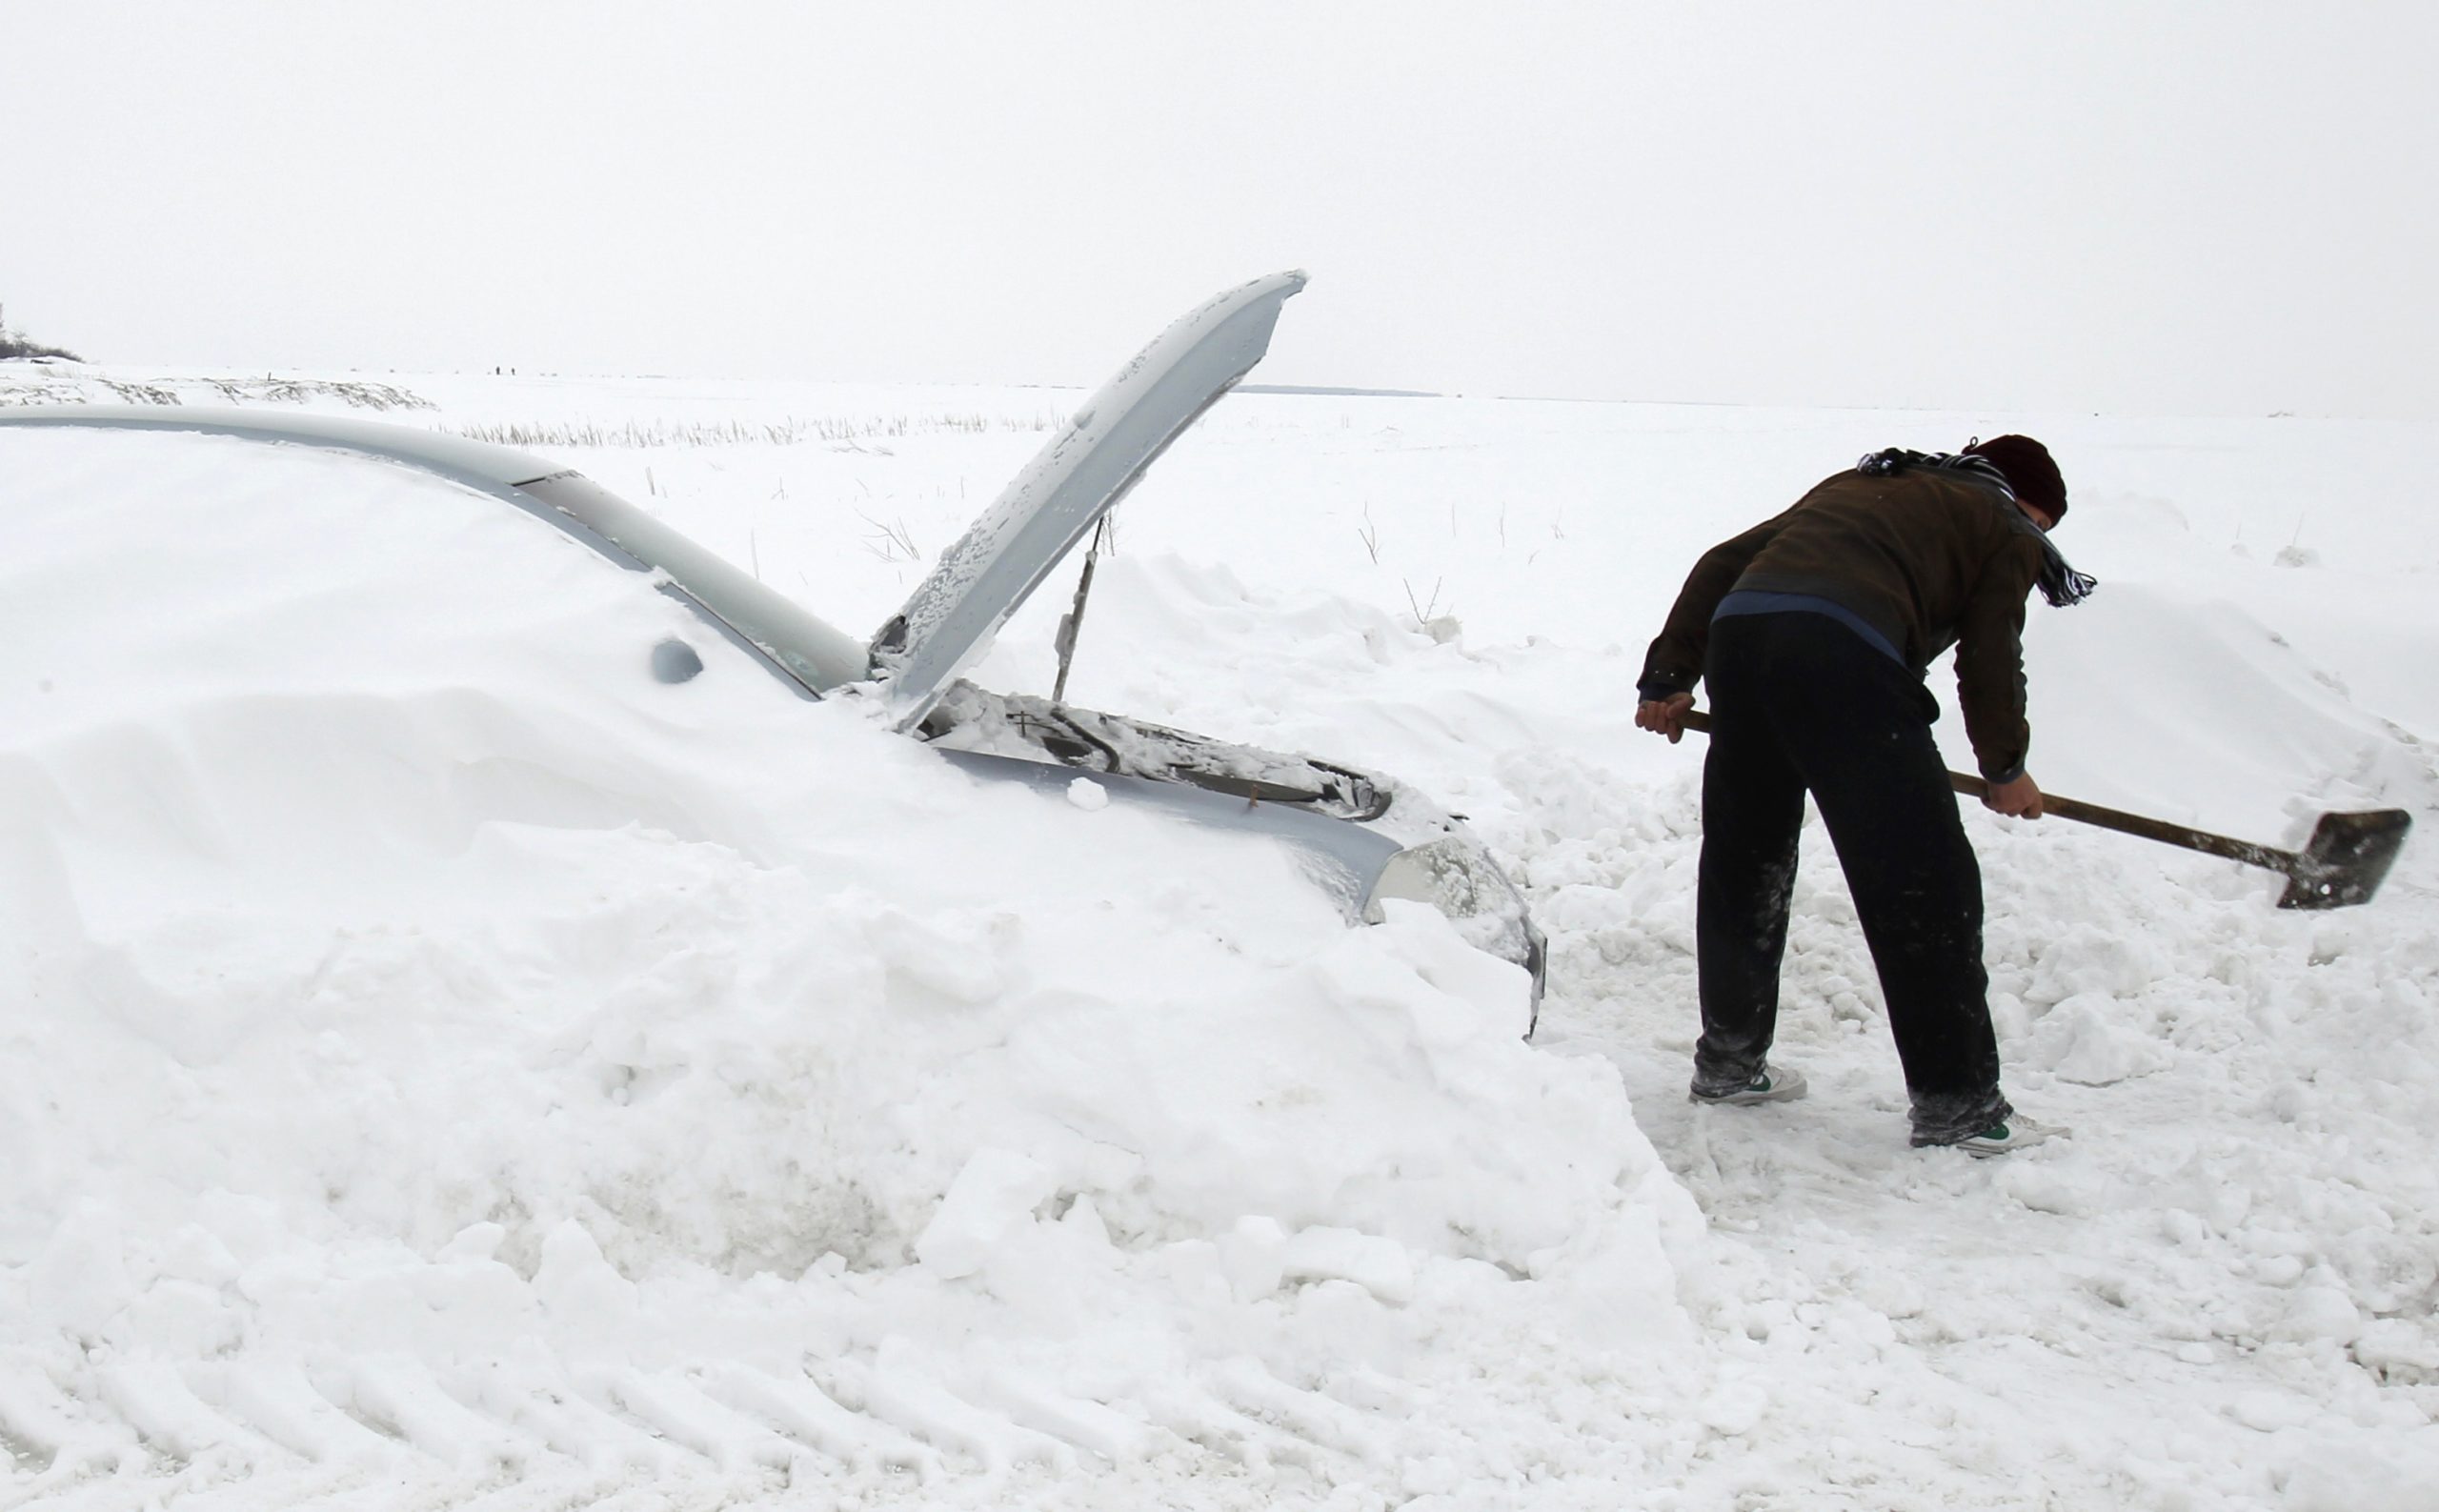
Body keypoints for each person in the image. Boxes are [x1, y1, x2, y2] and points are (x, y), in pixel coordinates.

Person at [1634, 436, 2096, 1156]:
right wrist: (2006, 767)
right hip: (1841, 653)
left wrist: (1668, 675)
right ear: (2025, 498)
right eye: (2043, 522)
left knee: (1747, 859)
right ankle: (1960, 1106)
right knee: (1922, 879)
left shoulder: (1859, 486)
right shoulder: (2003, 524)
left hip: (1743, 641)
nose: (2041, 541)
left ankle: (1729, 1061)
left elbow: (1723, 563)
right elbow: (1990, 650)